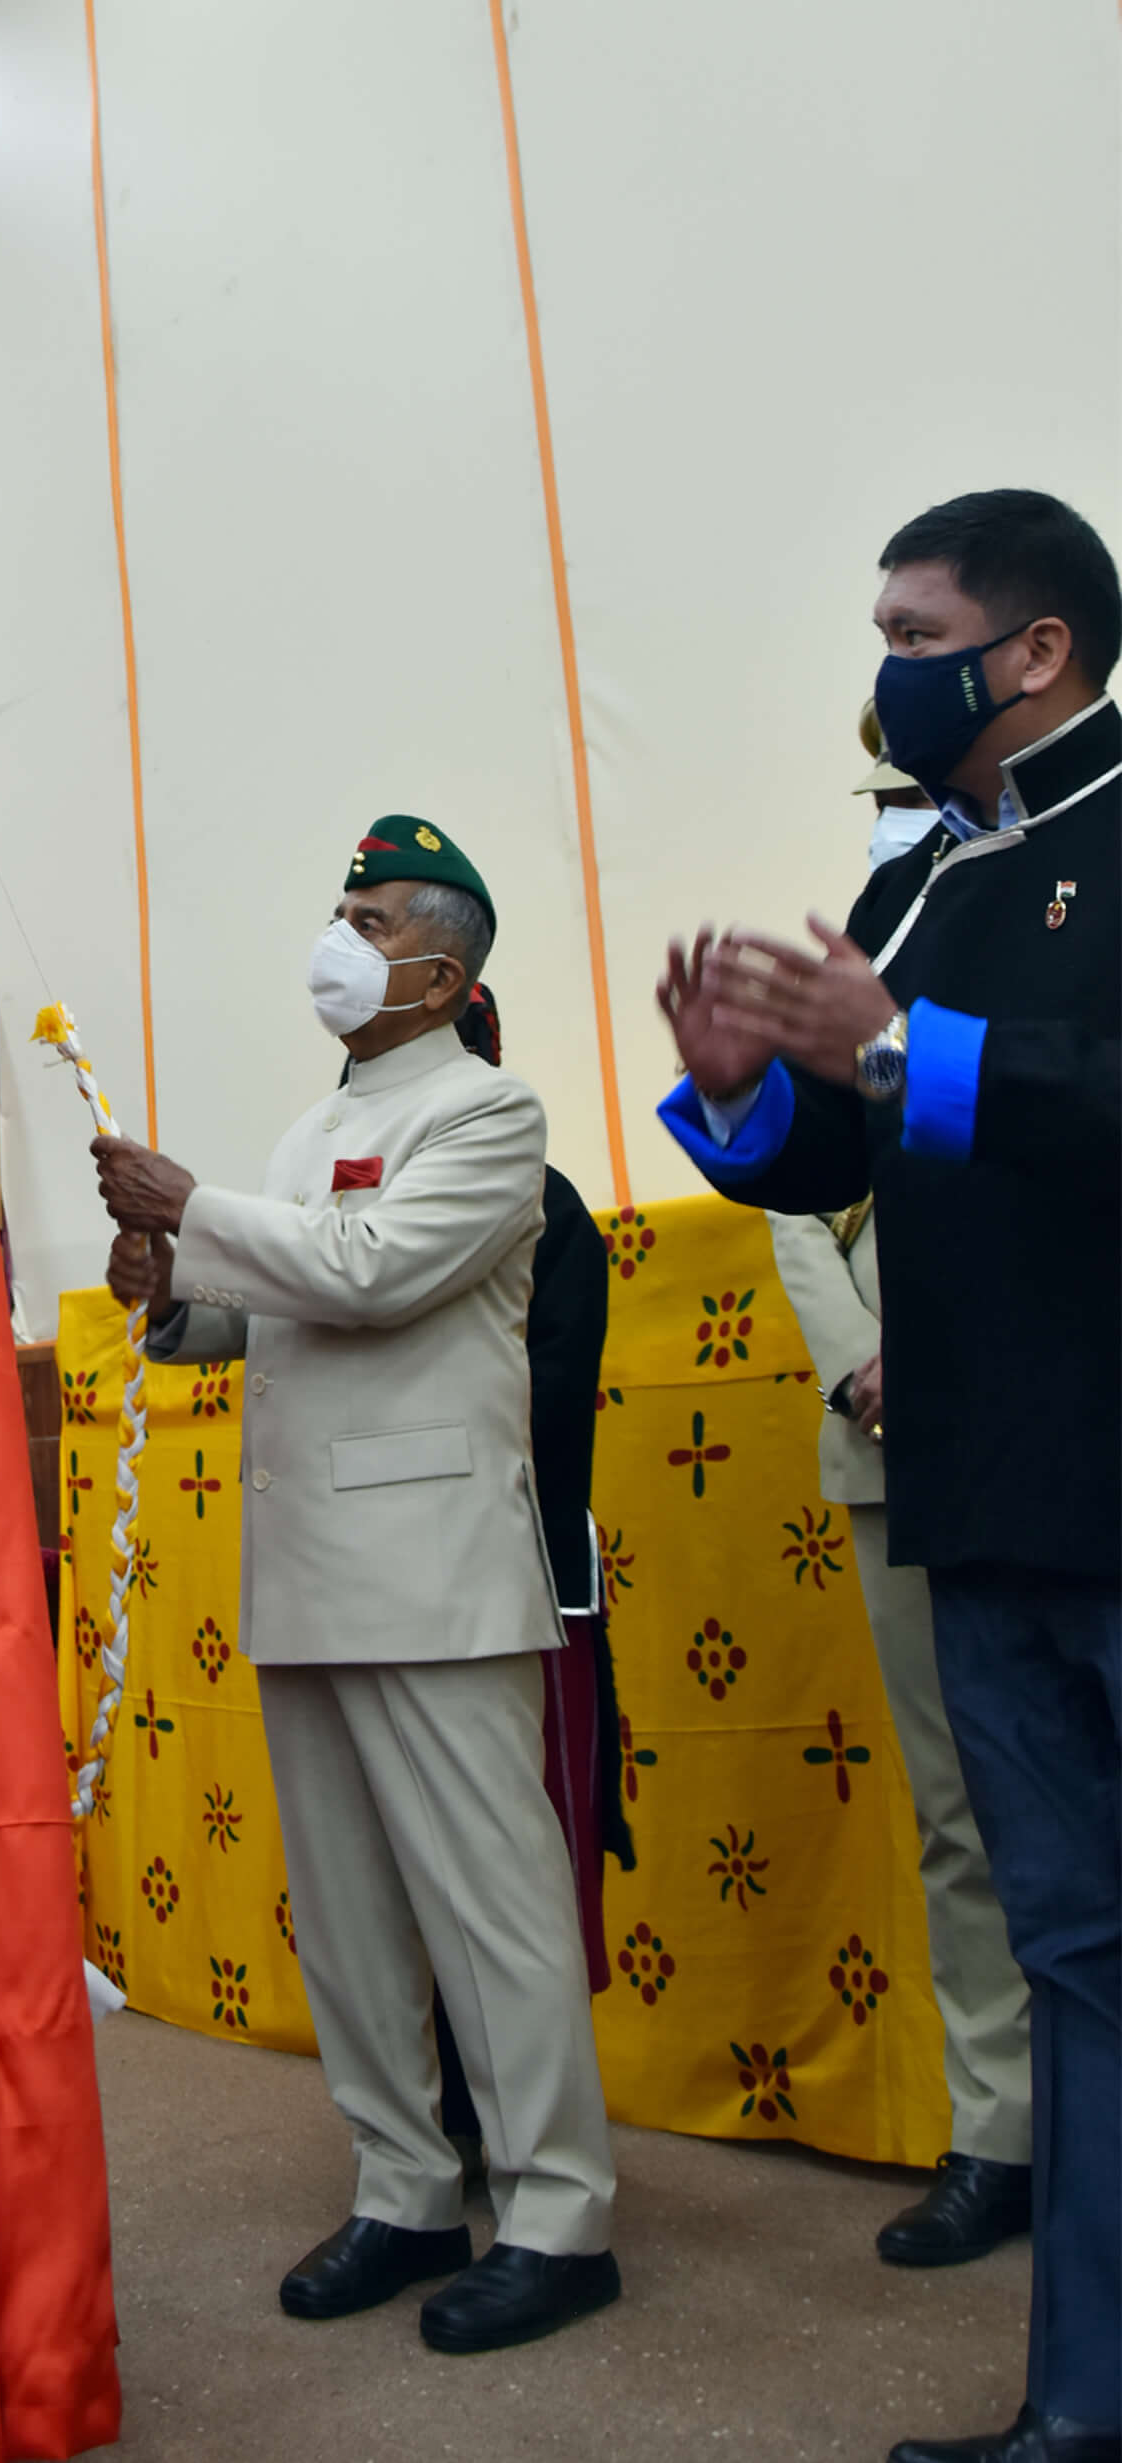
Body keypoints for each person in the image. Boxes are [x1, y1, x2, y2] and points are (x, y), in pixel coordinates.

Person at [656, 490, 1116, 2463]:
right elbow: (845, 1154)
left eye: (916, 632)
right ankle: (1082, 2400)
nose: (888, 668)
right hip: (988, 1489)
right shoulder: (925, 873)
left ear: (1036, 648)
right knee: (1073, 1960)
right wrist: (747, 1088)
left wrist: (907, 1044)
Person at [95, 819, 621, 2356]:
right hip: (311, 1565)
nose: (341, 934)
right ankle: (407, 2187)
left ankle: (559, 2213)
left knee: (494, 1912)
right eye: (342, 908)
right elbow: (283, 1311)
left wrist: (193, 1209)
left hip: (434, 1568)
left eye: (374, 918)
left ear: (444, 974)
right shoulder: (307, 1131)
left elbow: (375, 1270)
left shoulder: (489, 1111)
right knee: (347, 1918)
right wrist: (173, 1295)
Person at [755, 704, 1035, 2273]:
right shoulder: (874, 960)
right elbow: (807, 1201)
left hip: (1045, 1422)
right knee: (959, 1812)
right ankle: (1001, 2129)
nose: (899, 825)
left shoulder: (1059, 929)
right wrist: (866, 1359)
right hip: (888, 1446)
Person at [430, 982, 631, 2186]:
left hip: (524, 1579)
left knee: (526, 1867)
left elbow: (544, 1407)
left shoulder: (550, 1211)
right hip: (399, 1584)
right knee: (413, 1870)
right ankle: (448, 2117)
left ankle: (537, 2140)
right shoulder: (363, 1201)